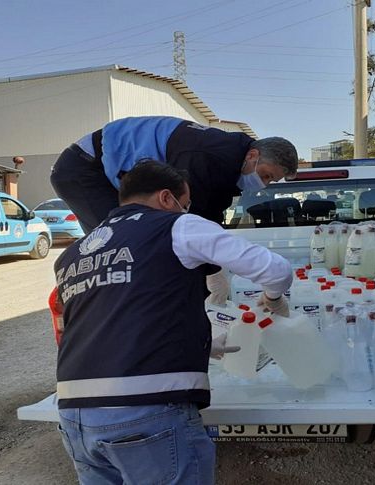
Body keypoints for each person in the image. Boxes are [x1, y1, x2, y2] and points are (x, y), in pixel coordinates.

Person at [53, 161, 292, 485]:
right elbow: (276, 271)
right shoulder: (177, 227)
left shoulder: (74, 254)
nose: (187, 211)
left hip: (74, 417)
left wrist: (200, 346)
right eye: (186, 204)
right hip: (144, 412)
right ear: (167, 198)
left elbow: (116, 319)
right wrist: (274, 299)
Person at [50, 116, 298, 232]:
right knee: (119, 240)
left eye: (270, 181)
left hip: (113, 173)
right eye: (266, 175)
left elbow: (209, 213)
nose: (263, 184)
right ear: (253, 156)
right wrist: (212, 270)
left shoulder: (230, 160)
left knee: (141, 238)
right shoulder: (210, 156)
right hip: (85, 168)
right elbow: (191, 217)